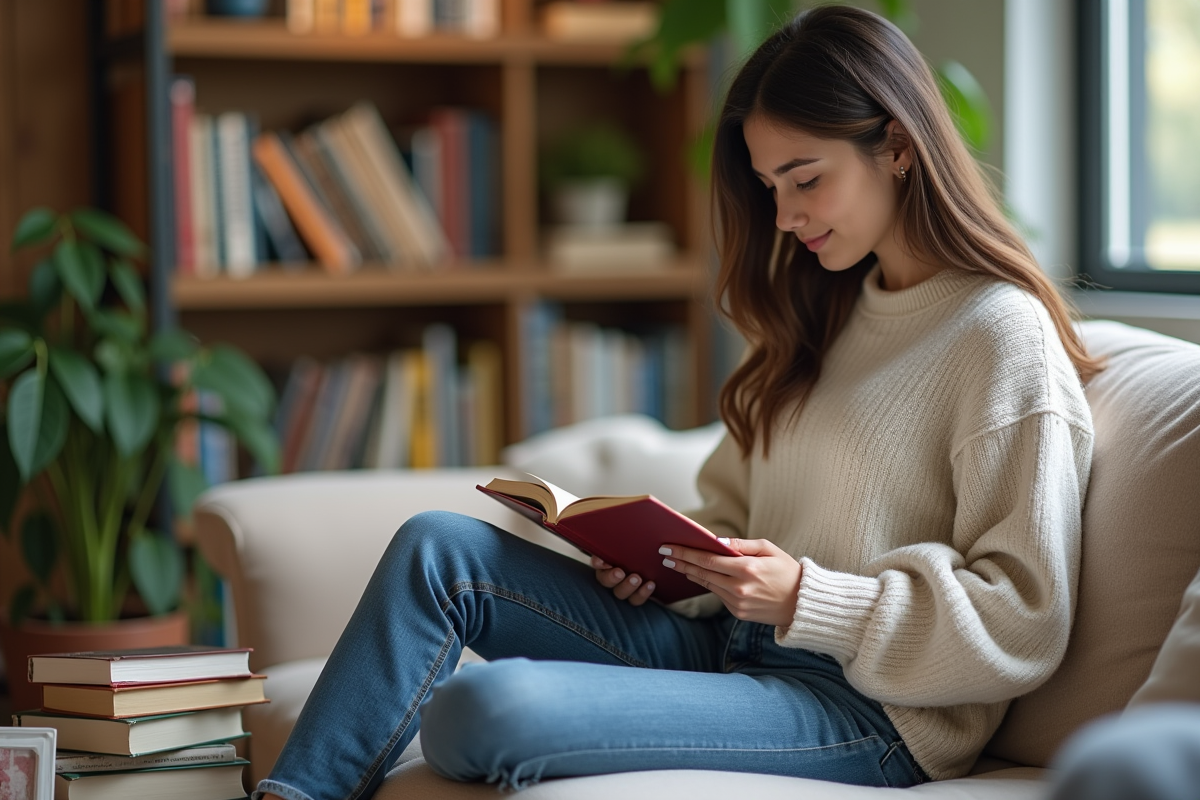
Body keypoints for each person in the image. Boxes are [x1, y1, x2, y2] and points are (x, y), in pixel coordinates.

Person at [256, 7, 1102, 799]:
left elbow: (1023, 621)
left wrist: (804, 597)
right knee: (437, 547)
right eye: (770, 187)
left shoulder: (999, 335)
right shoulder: (826, 309)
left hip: (864, 710)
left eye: (805, 179)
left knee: (483, 709)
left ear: (899, 148)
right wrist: (663, 567)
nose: (785, 216)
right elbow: (733, 514)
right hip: (720, 640)